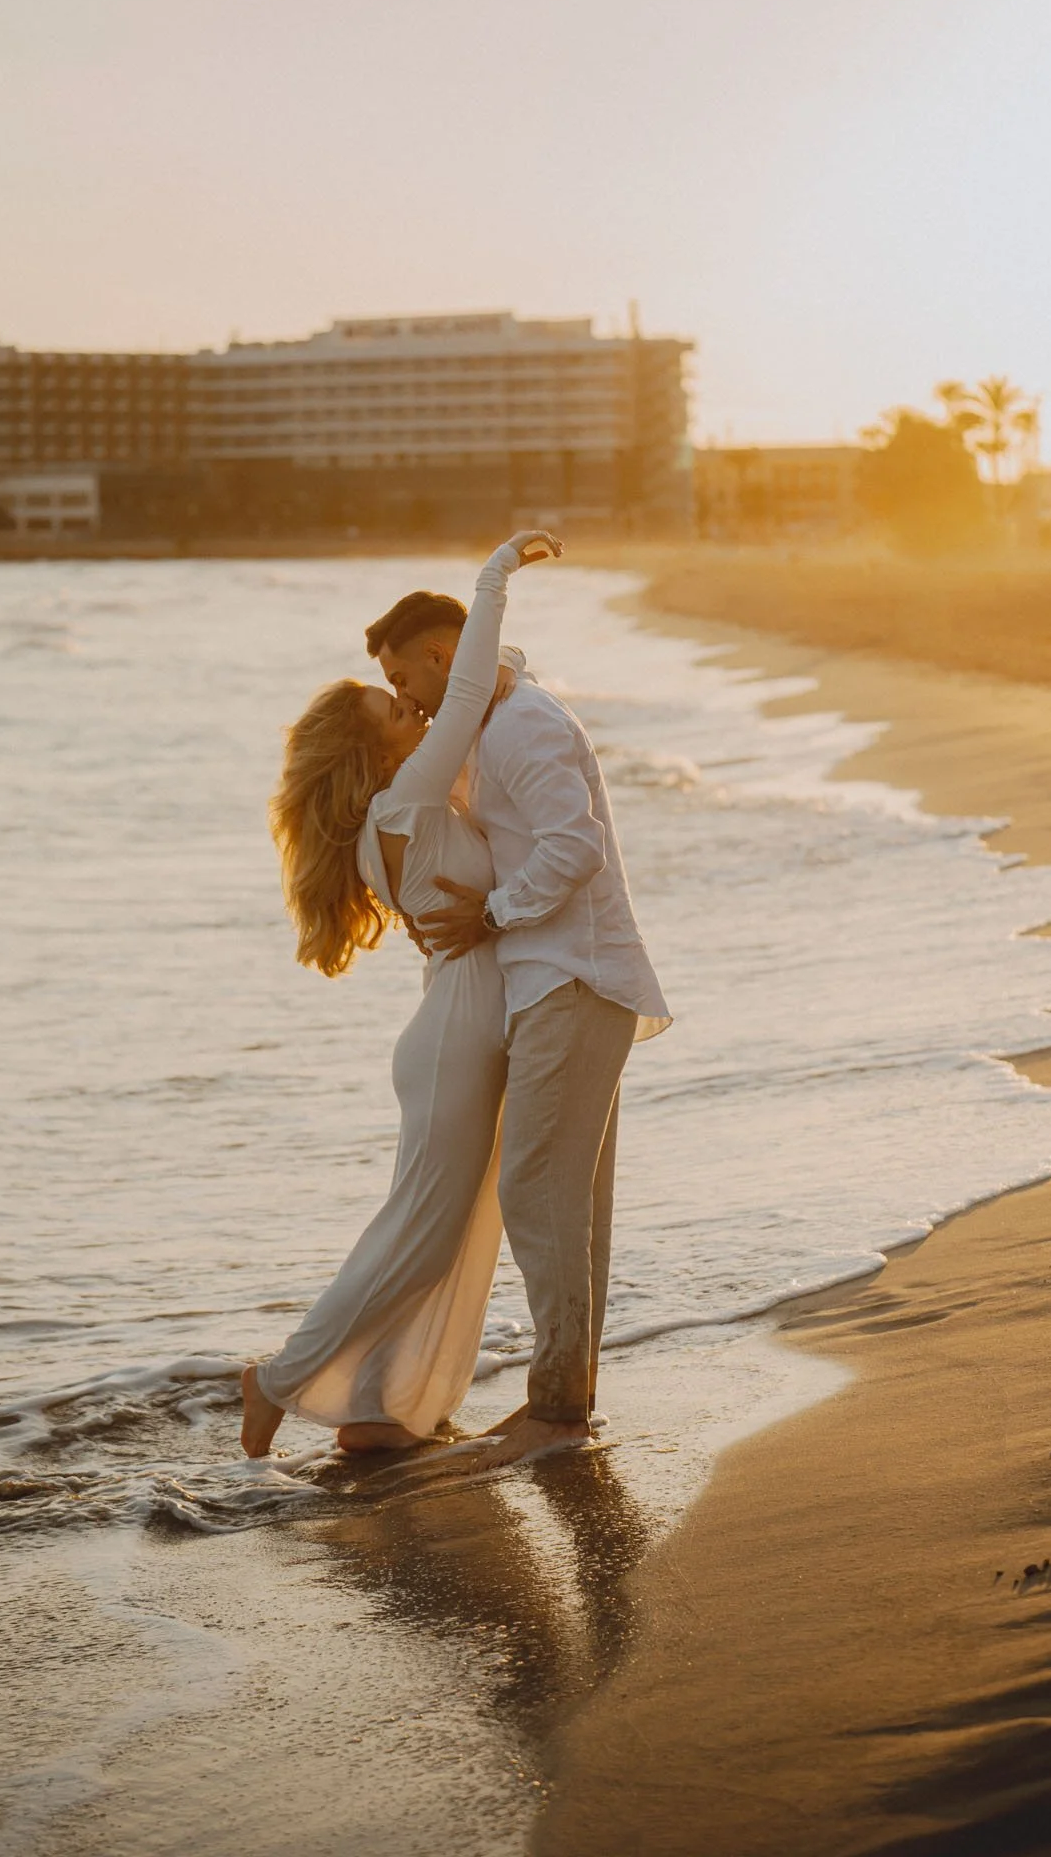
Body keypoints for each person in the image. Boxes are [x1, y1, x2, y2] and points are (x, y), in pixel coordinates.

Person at [240, 528, 562, 1459]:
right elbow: (467, 690)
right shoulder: (406, 800)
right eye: (392, 706)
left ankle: (379, 1414)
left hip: (456, 1026)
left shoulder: (404, 810)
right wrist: (495, 575)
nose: (409, 708)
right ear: (371, 746)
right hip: (459, 1030)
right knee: (422, 1236)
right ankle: (276, 1380)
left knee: (453, 1230)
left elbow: (487, 700)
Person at [371, 570, 670, 1469]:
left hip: (571, 977)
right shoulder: (499, 721)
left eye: (401, 681)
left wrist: (491, 916)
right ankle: (566, 1402)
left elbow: (573, 847)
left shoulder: (524, 723)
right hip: (563, 979)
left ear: (437, 656)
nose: (405, 701)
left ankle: (557, 1409)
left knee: (535, 1190)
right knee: (566, 1200)